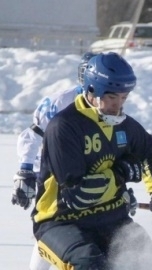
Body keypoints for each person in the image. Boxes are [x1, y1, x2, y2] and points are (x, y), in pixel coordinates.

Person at [29, 52, 152, 269]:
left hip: (112, 218)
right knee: (90, 263)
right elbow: (78, 194)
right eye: (111, 97)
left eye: (123, 98)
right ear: (92, 91)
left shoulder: (123, 125)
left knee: (146, 263)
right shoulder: (64, 127)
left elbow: (150, 149)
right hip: (61, 221)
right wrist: (123, 173)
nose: (117, 106)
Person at [11, 52, 131, 270]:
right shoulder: (62, 102)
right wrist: (26, 170)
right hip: (53, 173)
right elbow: (32, 135)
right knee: (55, 223)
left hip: (85, 171)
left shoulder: (108, 100)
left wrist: (118, 191)